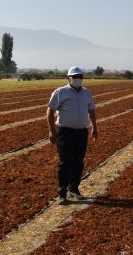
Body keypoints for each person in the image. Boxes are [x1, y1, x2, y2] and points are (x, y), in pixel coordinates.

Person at [47, 66, 98, 204]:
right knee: (65, 162)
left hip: (82, 132)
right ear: (68, 78)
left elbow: (92, 110)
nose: (77, 79)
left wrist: (94, 127)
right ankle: (62, 193)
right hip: (65, 132)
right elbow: (50, 111)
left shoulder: (86, 93)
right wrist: (52, 131)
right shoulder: (61, 92)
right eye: (74, 77)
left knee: (78, 162)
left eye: (80, 77)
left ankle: (74, 189)